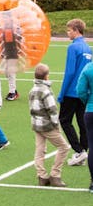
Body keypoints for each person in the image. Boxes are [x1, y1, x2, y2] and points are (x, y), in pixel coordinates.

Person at [30, 63, 70, 187]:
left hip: (36, 124)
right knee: (64, 147)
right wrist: (56, 125)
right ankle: (55, 175)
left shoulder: (33, 90)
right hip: (47, 125)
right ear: (46, 76)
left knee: (40, 149)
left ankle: (41, 176)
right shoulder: (46, 91)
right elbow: (52, 110)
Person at [59, 18, 91, 167]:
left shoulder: (73, 48)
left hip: (72, 91)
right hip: (84, 92)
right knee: (81, 121)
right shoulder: (88, 48)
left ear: (76, 30)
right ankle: (84, 150)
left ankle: (79, 151)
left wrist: (62, 93)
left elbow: (70, 72)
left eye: (69, 30)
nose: (68, 33)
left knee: (65, 120)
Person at [71, 57, 93, 192]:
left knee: (92, 146)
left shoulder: (88, 68)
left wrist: (88, 102)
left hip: (91, 111)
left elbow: (80, 91)